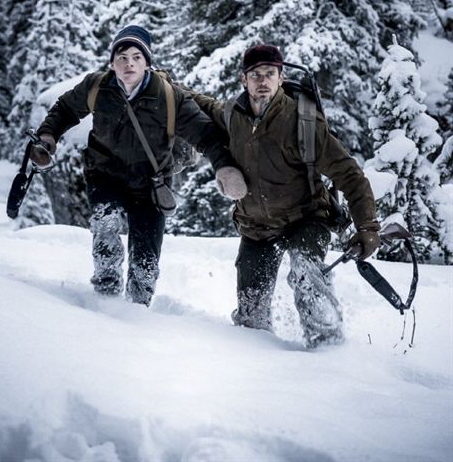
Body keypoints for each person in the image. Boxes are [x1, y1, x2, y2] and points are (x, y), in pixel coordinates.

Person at [30, 24, 246, 304]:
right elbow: (66, 109)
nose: (128, 63)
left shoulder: (169, 96)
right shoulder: (97, 86)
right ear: (112, 63)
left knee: (145, 259)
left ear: (147, 63)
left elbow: (204, 134)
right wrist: (48, 136)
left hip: (151, 183)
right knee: (106, 224)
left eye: (136, 57)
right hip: (105, 175)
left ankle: (137, 312)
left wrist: (224, 166)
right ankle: (105, 298)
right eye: (122, 57)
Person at [188, 44, 380, 348]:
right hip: (256, 226)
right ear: (244, 80)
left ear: (280, 77)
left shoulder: (303, 123)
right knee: (251, 317)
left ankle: (329, 350)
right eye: (255, 75)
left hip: (305, 219)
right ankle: (260, 365)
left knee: (306, 273)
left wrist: (367, 228)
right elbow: (198, 103)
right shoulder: (231, 115)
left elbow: (349, 174)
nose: (262, 81)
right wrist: (167, 85)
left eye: (269, 74)